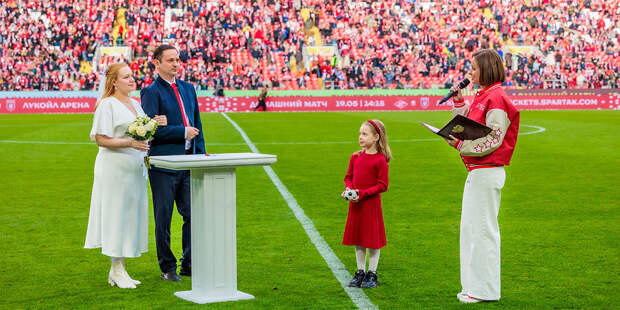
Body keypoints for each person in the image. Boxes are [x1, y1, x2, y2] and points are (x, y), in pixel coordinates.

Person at [444, 49, 520, 303]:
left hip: (487, 171)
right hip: (478, 172)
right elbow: (473, 125)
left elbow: (494, 137)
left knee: (483, 231)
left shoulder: (496, 98)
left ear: (486, 68)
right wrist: (458, 102)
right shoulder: (485, 95)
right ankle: (473, 286)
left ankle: (484, 291)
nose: (470, 72)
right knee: (471, 230)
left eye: (474, 68)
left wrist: (460, 146)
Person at [85, 62, 167, 289]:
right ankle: (116, 268)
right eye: (126, 77)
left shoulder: (135, 104)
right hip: (114, 168)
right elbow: (101, 138)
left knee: (129, 216)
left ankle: (119, 269)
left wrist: (154, 125)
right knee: (116, 215)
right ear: (114, 82)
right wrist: (130, 142)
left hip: (134, 167)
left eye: (132, 76)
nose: (132, 80)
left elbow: (143, 132)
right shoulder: (107, 105)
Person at [140, 45, 206, 282]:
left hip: (189, 164)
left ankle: (189, 263)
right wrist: (181, 132)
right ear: (156, 64)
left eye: (177, 59)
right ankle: (167, 267)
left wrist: (202, 155)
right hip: (164, 165)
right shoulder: (151, 92)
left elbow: (197, 124)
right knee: (164, 218)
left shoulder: (188, 89)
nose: (176, 64)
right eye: (170, 60)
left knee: (193, 215)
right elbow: (149, 131)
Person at [341, 119, 391, 289]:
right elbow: (348, 177)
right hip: (356, 205)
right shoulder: (355, 157)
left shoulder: (380, 161)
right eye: (359, 134)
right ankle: (360, 271)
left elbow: (383, 185)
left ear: (376, 137)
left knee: (372, 240)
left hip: (371, 206)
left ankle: (372, 273)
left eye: (364, 134)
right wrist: (349, 190)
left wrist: (362, 193)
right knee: (359, 239)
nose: (360, 137)